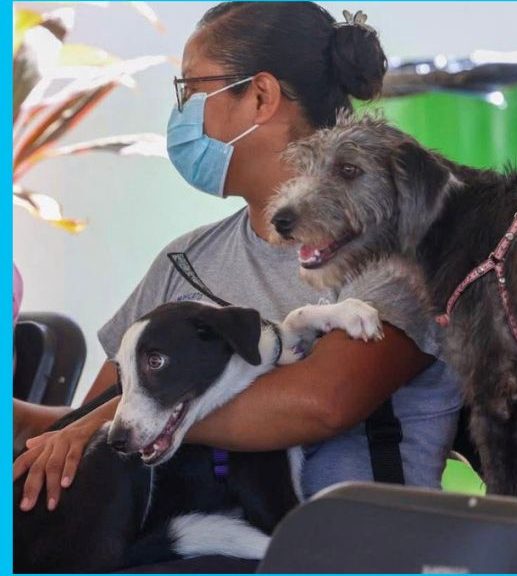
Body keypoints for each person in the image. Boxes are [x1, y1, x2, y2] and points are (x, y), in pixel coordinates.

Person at [13, 1, 461, 517]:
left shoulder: (395, 248)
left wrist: (135, 420)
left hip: (351, 548)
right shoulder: (184, 261)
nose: (180, 114)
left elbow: (324, 401)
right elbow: (86, 428)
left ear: (261, 96)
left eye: (191, 90)